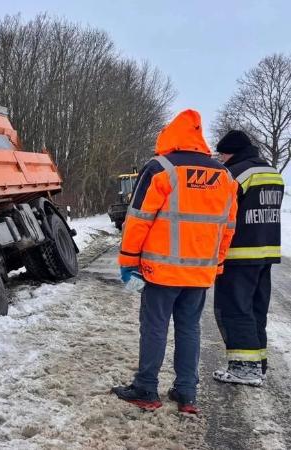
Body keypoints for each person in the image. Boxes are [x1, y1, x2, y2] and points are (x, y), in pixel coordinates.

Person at [112, 110, 239, 415]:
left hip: (161, 271)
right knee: (189, 329)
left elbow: (138, 219)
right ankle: (186, 393)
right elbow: (228, 226)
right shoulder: (224, 176)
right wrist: (217, 264)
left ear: (169, 136)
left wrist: (128, 261)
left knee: (155, 328)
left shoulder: (161, 168)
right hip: (200, 272)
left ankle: (146, 388)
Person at [212, 130, 284, 386]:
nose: (220, 159)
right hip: (267, 252)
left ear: (231, 152)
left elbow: (221, 211)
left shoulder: (235, 174)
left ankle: (244, 369)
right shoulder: (272, 172)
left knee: (234, 309)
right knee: (256, 310)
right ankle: (259, 365)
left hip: (238, 254)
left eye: (222, 154)